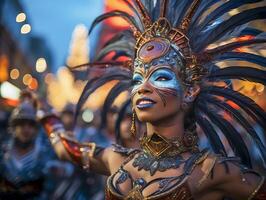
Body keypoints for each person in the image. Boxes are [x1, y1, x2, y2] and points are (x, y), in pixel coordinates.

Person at [40, 0, 266, 199]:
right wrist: (43, 113)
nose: (143, 88)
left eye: (161, 77)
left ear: (189, 91)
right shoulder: (116, 158)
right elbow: (64, 147)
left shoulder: (211, 171)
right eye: (137, 79)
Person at [0, 91, 57, 199]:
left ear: (36, 129)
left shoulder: (46, 153)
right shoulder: (3, 150)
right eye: (21, 124)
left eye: (31, 125)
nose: (26, 129)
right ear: (14, 127)